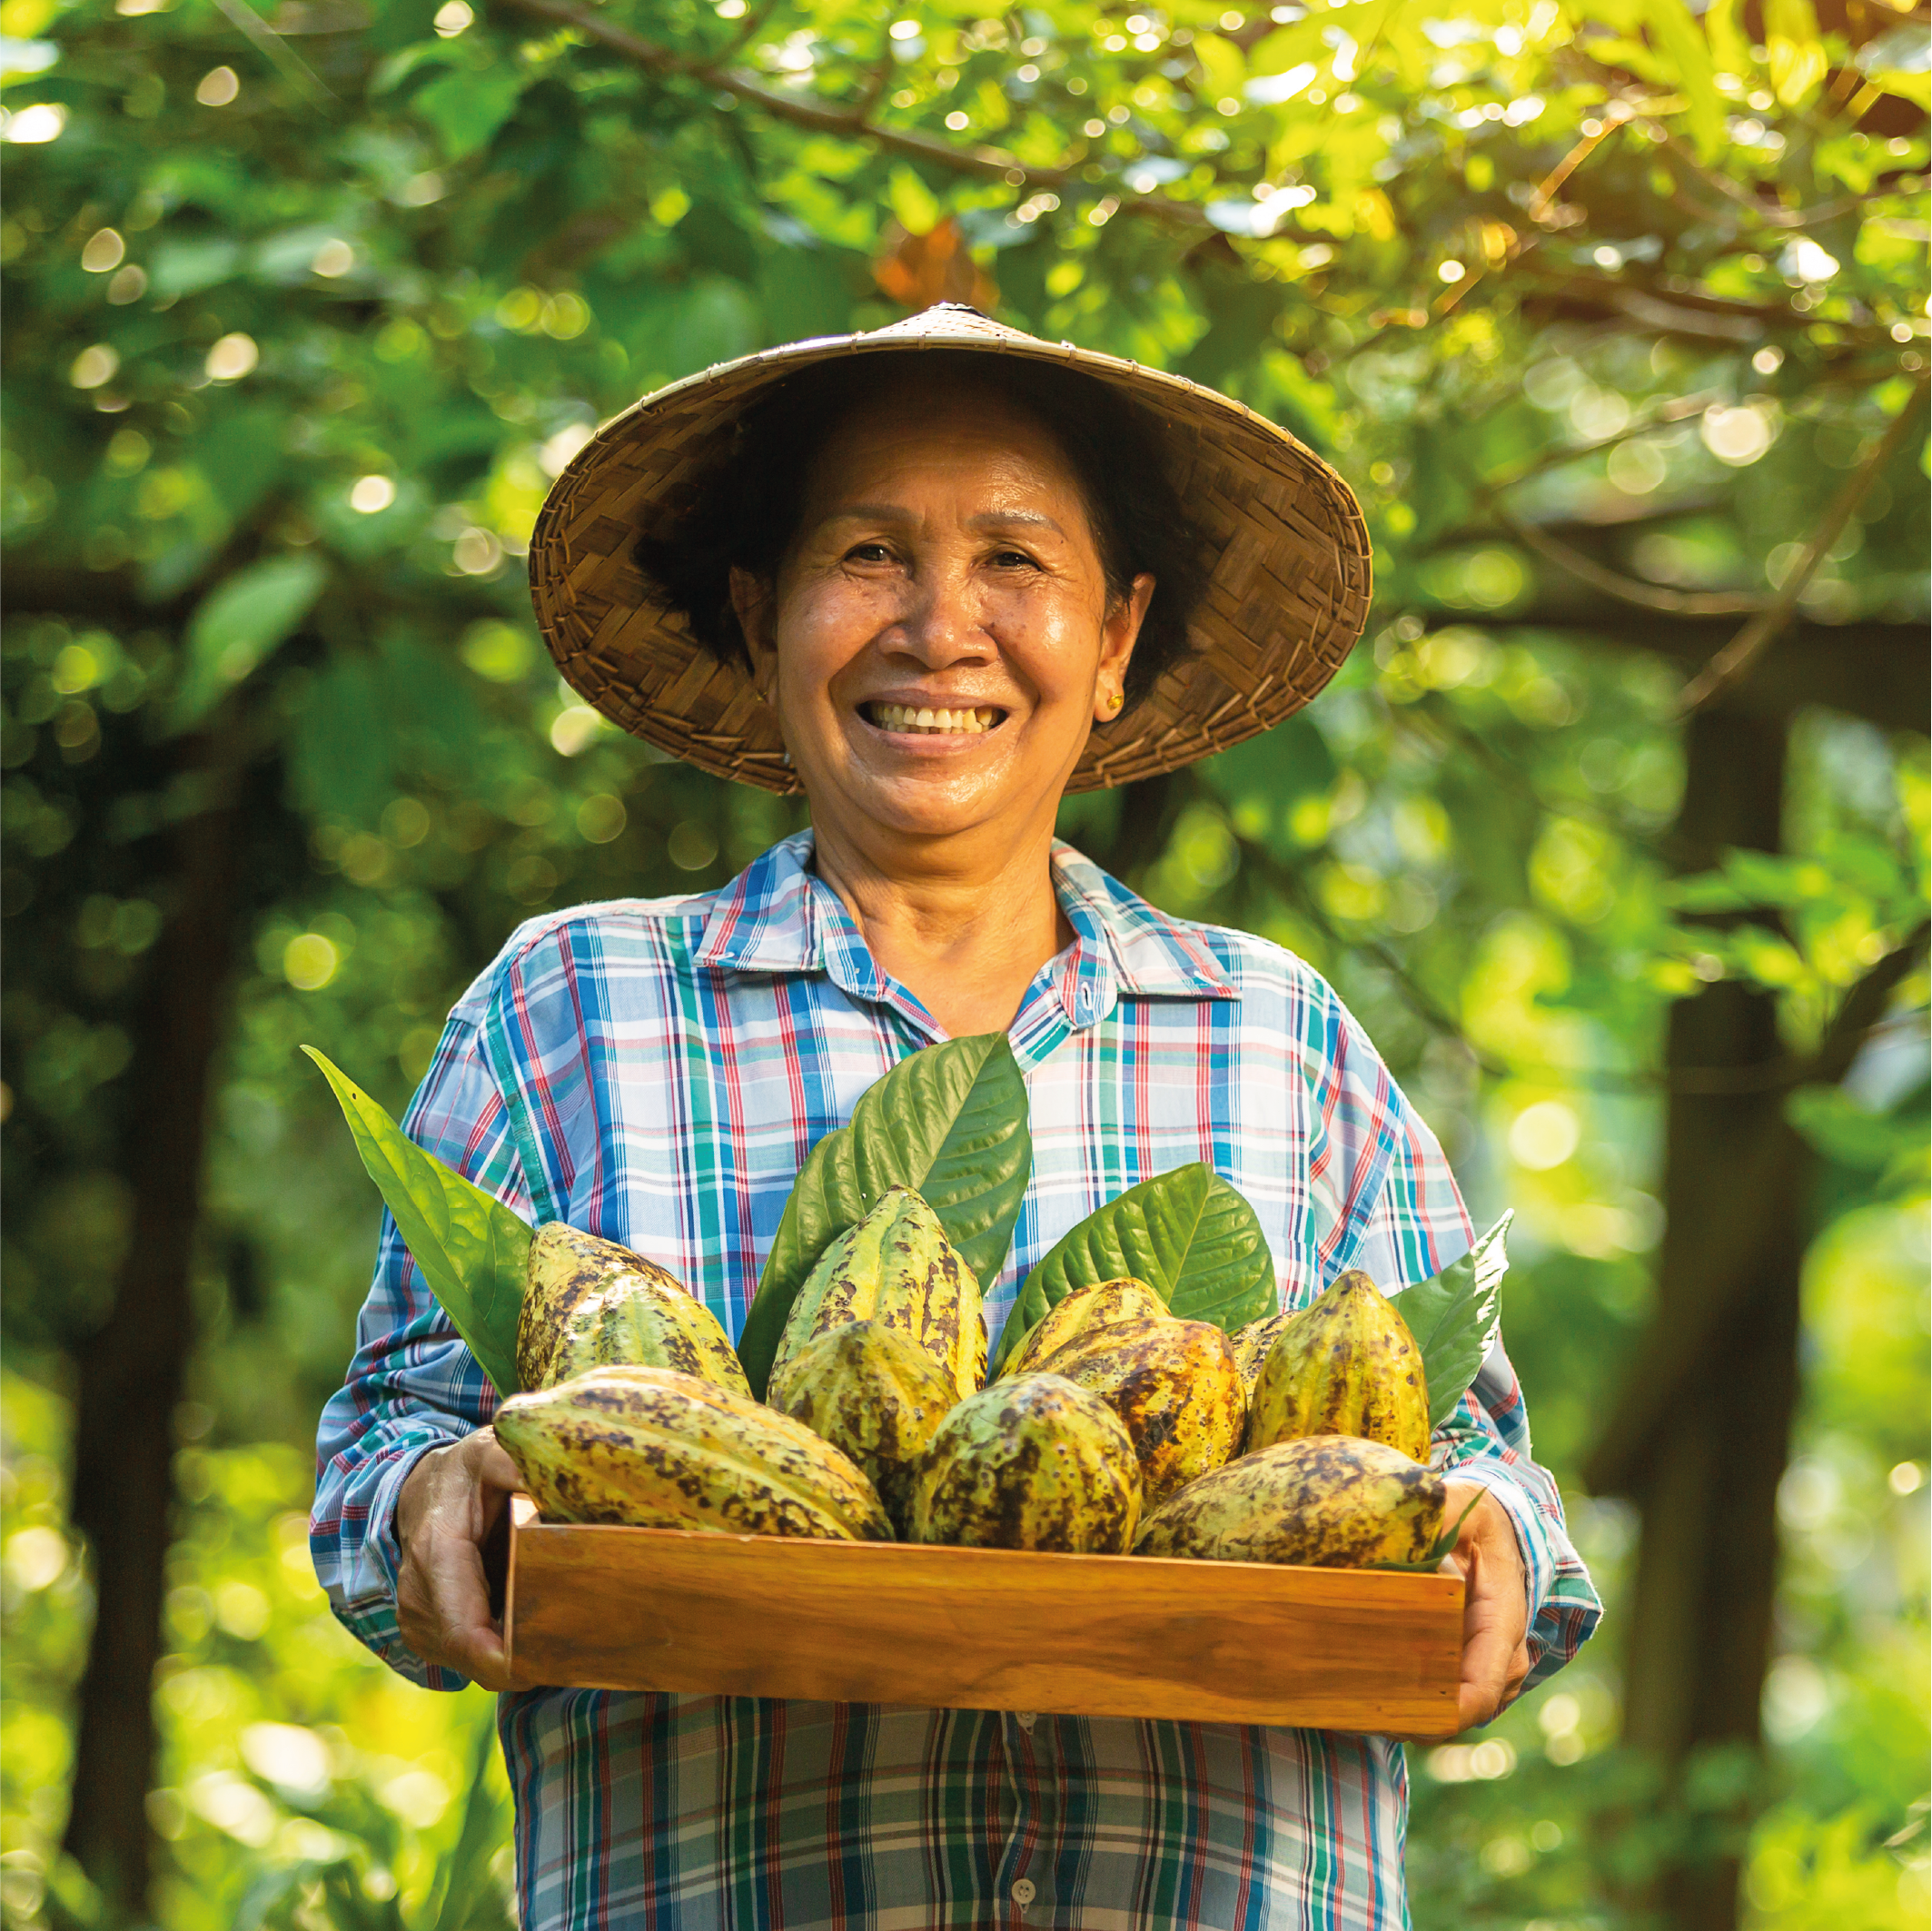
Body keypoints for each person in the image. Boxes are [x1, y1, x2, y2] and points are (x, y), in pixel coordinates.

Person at [314, 304, 1600, 1929]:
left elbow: (1472, 1471)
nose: (940, 625)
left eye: (1015, 560)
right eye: (866, 553)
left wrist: (1496, 1539)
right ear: (761, 611)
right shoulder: (571, 1008)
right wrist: (431, 1501)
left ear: (1114, 635)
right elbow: (389, 1438)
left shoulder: (1278, 1036)